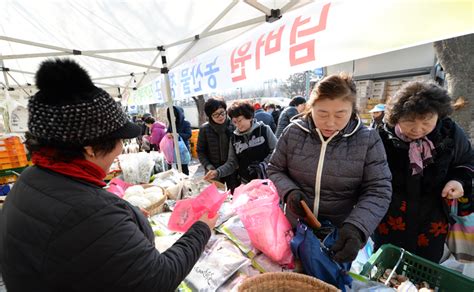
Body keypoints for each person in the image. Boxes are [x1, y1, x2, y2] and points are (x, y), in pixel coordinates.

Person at [0, 59, 217, 292]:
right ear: (89, 147)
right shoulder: (89, 212)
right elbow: (157, 279)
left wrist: (125, 219)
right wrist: (201, 228)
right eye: (118, 141)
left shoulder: (31, 178)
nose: (121, 149)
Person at [268, 73, 392, 263]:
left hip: (338, 235)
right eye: (322, 114)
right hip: (294, 228)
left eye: (340, 114)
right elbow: (274, 168)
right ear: (311, 108)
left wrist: (357, 227)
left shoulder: (367, 139)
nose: (330, 122)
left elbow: (379, 189)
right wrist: (289, 191)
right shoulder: (293, 132)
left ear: (352, 110)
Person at [372, 81, 473, 263]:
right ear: (396, 117)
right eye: (409, 122)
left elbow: (467, 161)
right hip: (389, 217)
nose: (417, 130)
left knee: (426, 268)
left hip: (432, 218)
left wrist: (457, 181)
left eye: (426, 122)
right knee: (386, 265)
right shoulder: (381, 138)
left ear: (438, 115)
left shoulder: (450, 133)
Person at [204, 100, 277, 184]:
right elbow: (232, 162)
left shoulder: (264, 130)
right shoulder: (234, 138)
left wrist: (263, 165)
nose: (237, 125)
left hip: (268, 179)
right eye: (234, 122)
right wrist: (217, 172)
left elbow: (276, 152)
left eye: (239, 120)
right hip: (246, 182)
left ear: (249, 117)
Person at [197, 97, 239, 191]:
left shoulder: (234, 125)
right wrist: (208, 166)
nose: (220, 117)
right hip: (213, 170)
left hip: (233, 169)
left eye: (222, 112)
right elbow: (200, 151)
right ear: (210, 116)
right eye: (215, 115)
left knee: (235, 195)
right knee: (215, 197)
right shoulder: (205, 129)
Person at [166, 105, 192, 175]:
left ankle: (186, 181)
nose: (173, 117)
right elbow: (167, 132)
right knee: (178, 167)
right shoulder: (171, 124)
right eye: (171, 116)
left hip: (183, 149)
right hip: (174, 148)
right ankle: (181, 180)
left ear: (179, 114)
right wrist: (168, 134)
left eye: (174, 115)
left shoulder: (186, 123)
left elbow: (189, 135)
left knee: (184, 167)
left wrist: (178, 135)